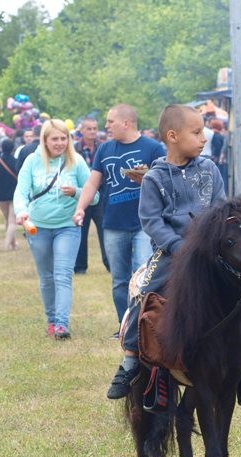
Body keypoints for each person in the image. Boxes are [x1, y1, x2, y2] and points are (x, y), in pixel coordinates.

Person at [90, 104, 241, 400]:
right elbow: (151, 222)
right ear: (172, 136)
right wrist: (180, 247)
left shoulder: (209, 169)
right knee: (144, 292)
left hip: (212, 252)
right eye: (197, 132)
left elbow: (221, 210)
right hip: (171, 253)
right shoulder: (154, 178)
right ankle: (131, 360)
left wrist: (219, 242)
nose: (204, 138)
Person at [75, 104, 165, 333]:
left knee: (143, 276)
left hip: (145, 223)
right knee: (119, 281)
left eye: (110, 121)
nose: (106, 126)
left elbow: (166, 182)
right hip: (113, 224)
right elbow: (92, 183)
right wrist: (80, 208)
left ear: (126, 123)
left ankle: (144, 327)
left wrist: (146, 178)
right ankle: (125, 327)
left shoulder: (154, 148)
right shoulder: (104, 149)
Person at [14, 119, 96, 340]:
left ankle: (61, 324)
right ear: (44, 140)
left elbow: (94, 196)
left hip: (67, 227)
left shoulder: (76, 161)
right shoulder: (32, 161)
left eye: (63, 138)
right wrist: (21, 211)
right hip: (38, 227)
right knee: (46, 277)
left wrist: (76, 192)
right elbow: (21, 192)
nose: (60, 143)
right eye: (55, 139)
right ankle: (51, 321)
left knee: (62, 276)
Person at [73, 116, 108, 274]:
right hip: (82, 195)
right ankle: (80, 267)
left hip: (101, 195)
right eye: (89, 128)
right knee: (80, 231)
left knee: (105, 230)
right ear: (81, 130)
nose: (93, 132)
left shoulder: (104, 148)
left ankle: (110, 264)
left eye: (95, 128)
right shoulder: (74, 150)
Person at [0, 139, 19, 250]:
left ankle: (13, 244)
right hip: (14, 194)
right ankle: (6, 245)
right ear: (13, 148)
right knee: (12, 221)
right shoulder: (16, 162)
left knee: (8, 219)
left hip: (1, 195)